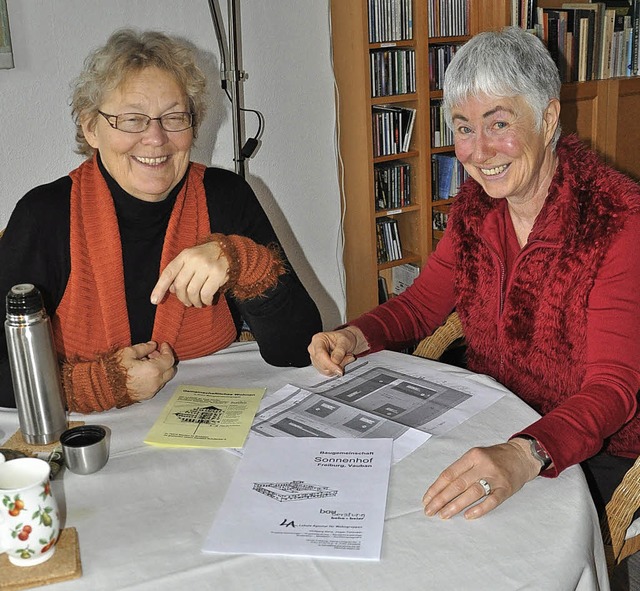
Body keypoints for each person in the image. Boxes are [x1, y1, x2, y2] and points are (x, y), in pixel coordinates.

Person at [308, 26, 640, 520]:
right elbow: (421, 305)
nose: (478, 152)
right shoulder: (475, 209)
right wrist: (354, 335)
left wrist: (526, 452)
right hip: (495, 411)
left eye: (498, 123)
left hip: (595, 445)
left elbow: (613, 389)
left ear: (548, 119)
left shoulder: (616, 221)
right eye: (464, 127)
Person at [0, 29, 322, 413]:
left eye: (173, 117)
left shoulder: (225, 196)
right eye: (132, 119)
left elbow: (298, 349)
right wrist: (99, 386)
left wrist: (244, 261)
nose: (156, 138)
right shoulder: (45, 214)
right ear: (91, 128)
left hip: (213, 420)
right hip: (87, 434)